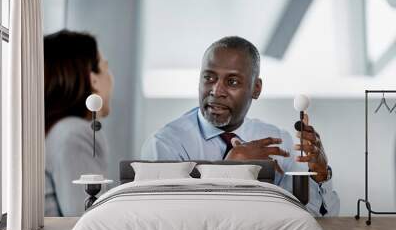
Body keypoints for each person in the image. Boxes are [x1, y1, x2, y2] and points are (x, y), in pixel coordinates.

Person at [141, 36, 339, 216]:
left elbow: (304, 217)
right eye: (209, 78)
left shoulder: (278, 141)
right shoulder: (166, 145)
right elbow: (166, 223)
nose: (216, 91)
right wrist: (228, 170)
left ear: (256, 88)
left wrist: (320, 175)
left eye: (232, 81)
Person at [44, 30, 114, 216]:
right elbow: (91, 223)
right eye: (106, 68)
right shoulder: (75, 134)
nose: (111, 79)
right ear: (94, 80)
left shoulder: (57, 131)